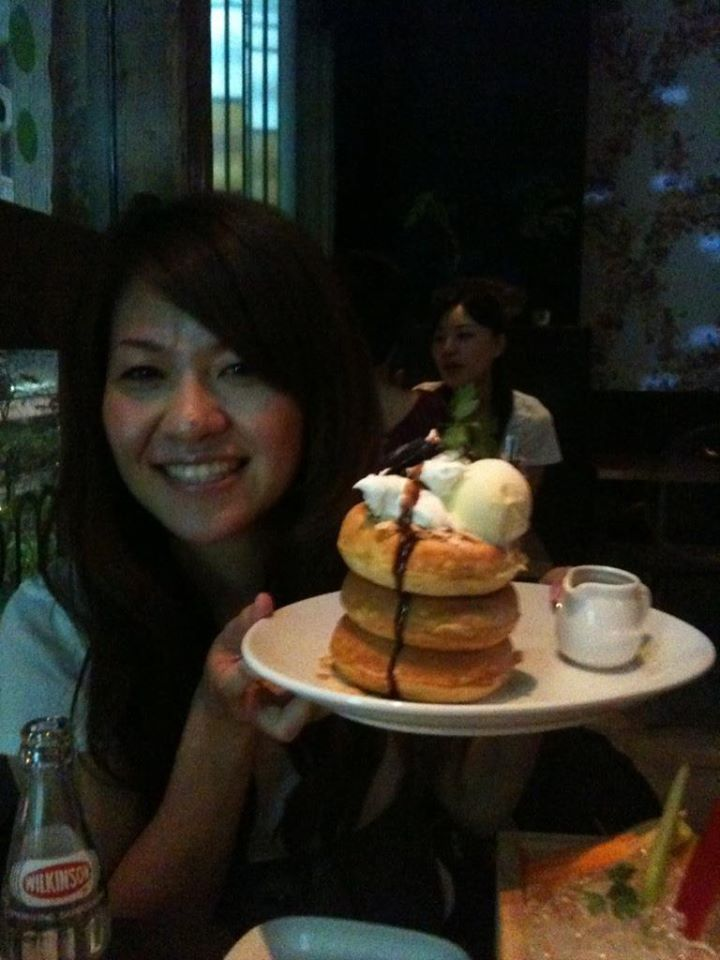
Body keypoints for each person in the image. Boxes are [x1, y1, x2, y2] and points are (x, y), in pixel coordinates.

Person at [0, 194, 538, 956]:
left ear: (314, 390)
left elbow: (474, 807)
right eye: (145, 372)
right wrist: (222, 730)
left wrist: (538, 660)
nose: (192, 418)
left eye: (240, 368)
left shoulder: (384, 592)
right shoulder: (53, 631)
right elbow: (123, 941)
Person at [417, 276, 562, 493]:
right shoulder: (420, 402)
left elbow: (521, 505)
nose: (448, 349)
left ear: (498, 344)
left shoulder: (529, 418)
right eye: (439, 338)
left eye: (464, 336)